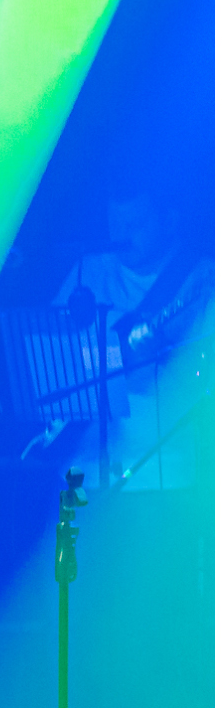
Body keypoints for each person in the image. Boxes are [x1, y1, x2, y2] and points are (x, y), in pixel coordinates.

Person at [43, 186, 214, 490]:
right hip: (81, 471)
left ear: (169, 222)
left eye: (135, 225)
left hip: (163, 471)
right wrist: (117, 357)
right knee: (67, 538)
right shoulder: (91, 269)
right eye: (114, 224)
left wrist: (166, 359)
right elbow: (53, 356)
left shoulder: (205, 277)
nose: (120, 235)